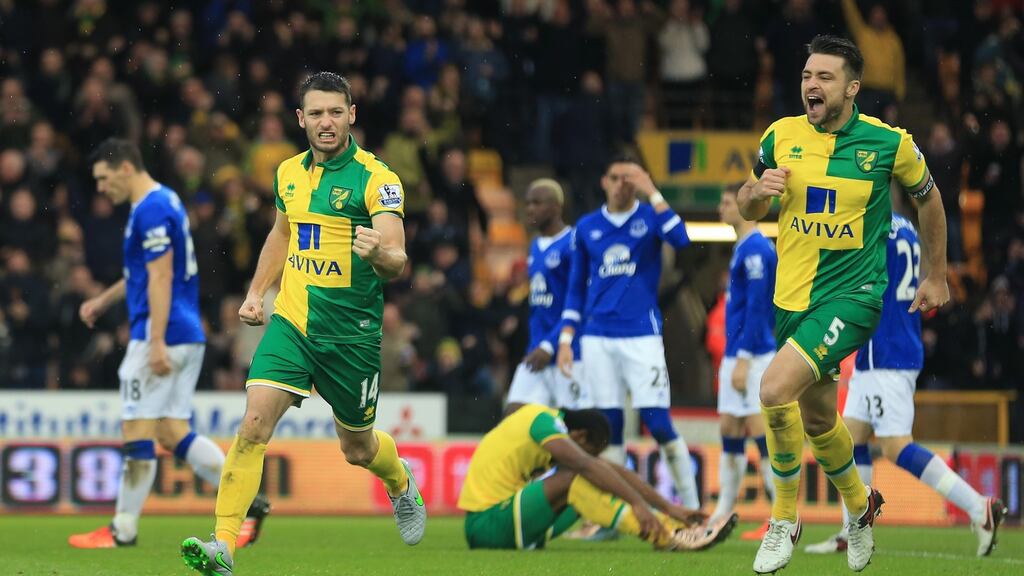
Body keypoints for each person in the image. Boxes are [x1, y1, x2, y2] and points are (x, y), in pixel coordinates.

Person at [180, 72, 424, 576]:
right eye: (316, 113)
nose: (326, 122)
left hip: (350, 335)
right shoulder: (288, 172)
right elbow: (282, 232)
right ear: (301, 119)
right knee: (251, 427)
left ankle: (399, 481)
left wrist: (379, 252)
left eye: (335, 112)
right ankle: (224, 545)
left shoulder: (378, 179)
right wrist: (255, 292)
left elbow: (397, 259)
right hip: (292, 322)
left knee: (357, 448)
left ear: (351, 114)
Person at [738, 36, 950, 573]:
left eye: (825, 77)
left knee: (773, 389)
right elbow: (745, 200)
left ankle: (783, 519)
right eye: (808, 74)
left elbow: (930, 199)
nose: (812, 83)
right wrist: (756, 191)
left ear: (852, 87)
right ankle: (860, 507)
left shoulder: (888, 144)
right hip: (791, 301)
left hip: (853, 298)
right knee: (816, 420)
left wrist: (937, 274)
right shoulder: (780, 135)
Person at [68, 139, 267, 549]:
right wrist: (103, 301)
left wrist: (155, 341)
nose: (102, 189)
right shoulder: (166, 202)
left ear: (125, 168)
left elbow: (160, 278)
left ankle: (122, 528)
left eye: (104, 180)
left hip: (162, 333)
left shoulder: (151, 209)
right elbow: (146, 272)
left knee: (136, 428)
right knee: (171, 432)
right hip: (187, 332)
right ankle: (248, 502)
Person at [805, 211, 1007, 557]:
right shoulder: (904, 225)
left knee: (896, 446)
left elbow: (854, 283)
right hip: (885, 348)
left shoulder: (869, 225)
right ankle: (851, 531)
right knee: (851, 439)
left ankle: (979, 507)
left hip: (886, 351)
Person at [556, 156, 701, 512]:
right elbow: (575, 288)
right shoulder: (587, 227)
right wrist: (565, 338)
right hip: (596, 338)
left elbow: (682, 241)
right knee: (609, 426)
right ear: (604, 182)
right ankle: (614, 515)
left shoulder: (650, 218)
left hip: (640, 336)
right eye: (616, 176)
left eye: (629, 177)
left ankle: (695, 510)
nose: (622, 183)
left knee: (657, 422)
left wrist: (653, 191)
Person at [458, 403, 736, 551]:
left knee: (592, 476)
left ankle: (670, 524)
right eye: (592, 449)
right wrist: (638, 505)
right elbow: (586, 464)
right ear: (578, 436)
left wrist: (668, 506)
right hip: (486, 523)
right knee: (575, 477)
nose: (591, 457)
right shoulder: (544, 422)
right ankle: (668, 536)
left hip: (501, 522)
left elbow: (615, 471)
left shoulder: (552, 425)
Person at [709, 186, 777, 540]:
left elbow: (757, 309)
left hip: (754, 353)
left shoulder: (756, 249)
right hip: (737, 353)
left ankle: (780, 515)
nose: (720, 207)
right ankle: (723, 510)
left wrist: (744, 360)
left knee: (760, 430)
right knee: (730, 429)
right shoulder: (744, 247)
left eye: (725, 201)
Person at [506, 179, 589, 413]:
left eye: (537, 203)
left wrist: (550, 346)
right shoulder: (535, 245)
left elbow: (577, 303)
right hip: (536, 351)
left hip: (568, 353)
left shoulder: (573, 243)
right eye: (527, 203)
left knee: (572, 427)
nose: (529, 208)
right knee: (513, 415)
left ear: (556, 207)